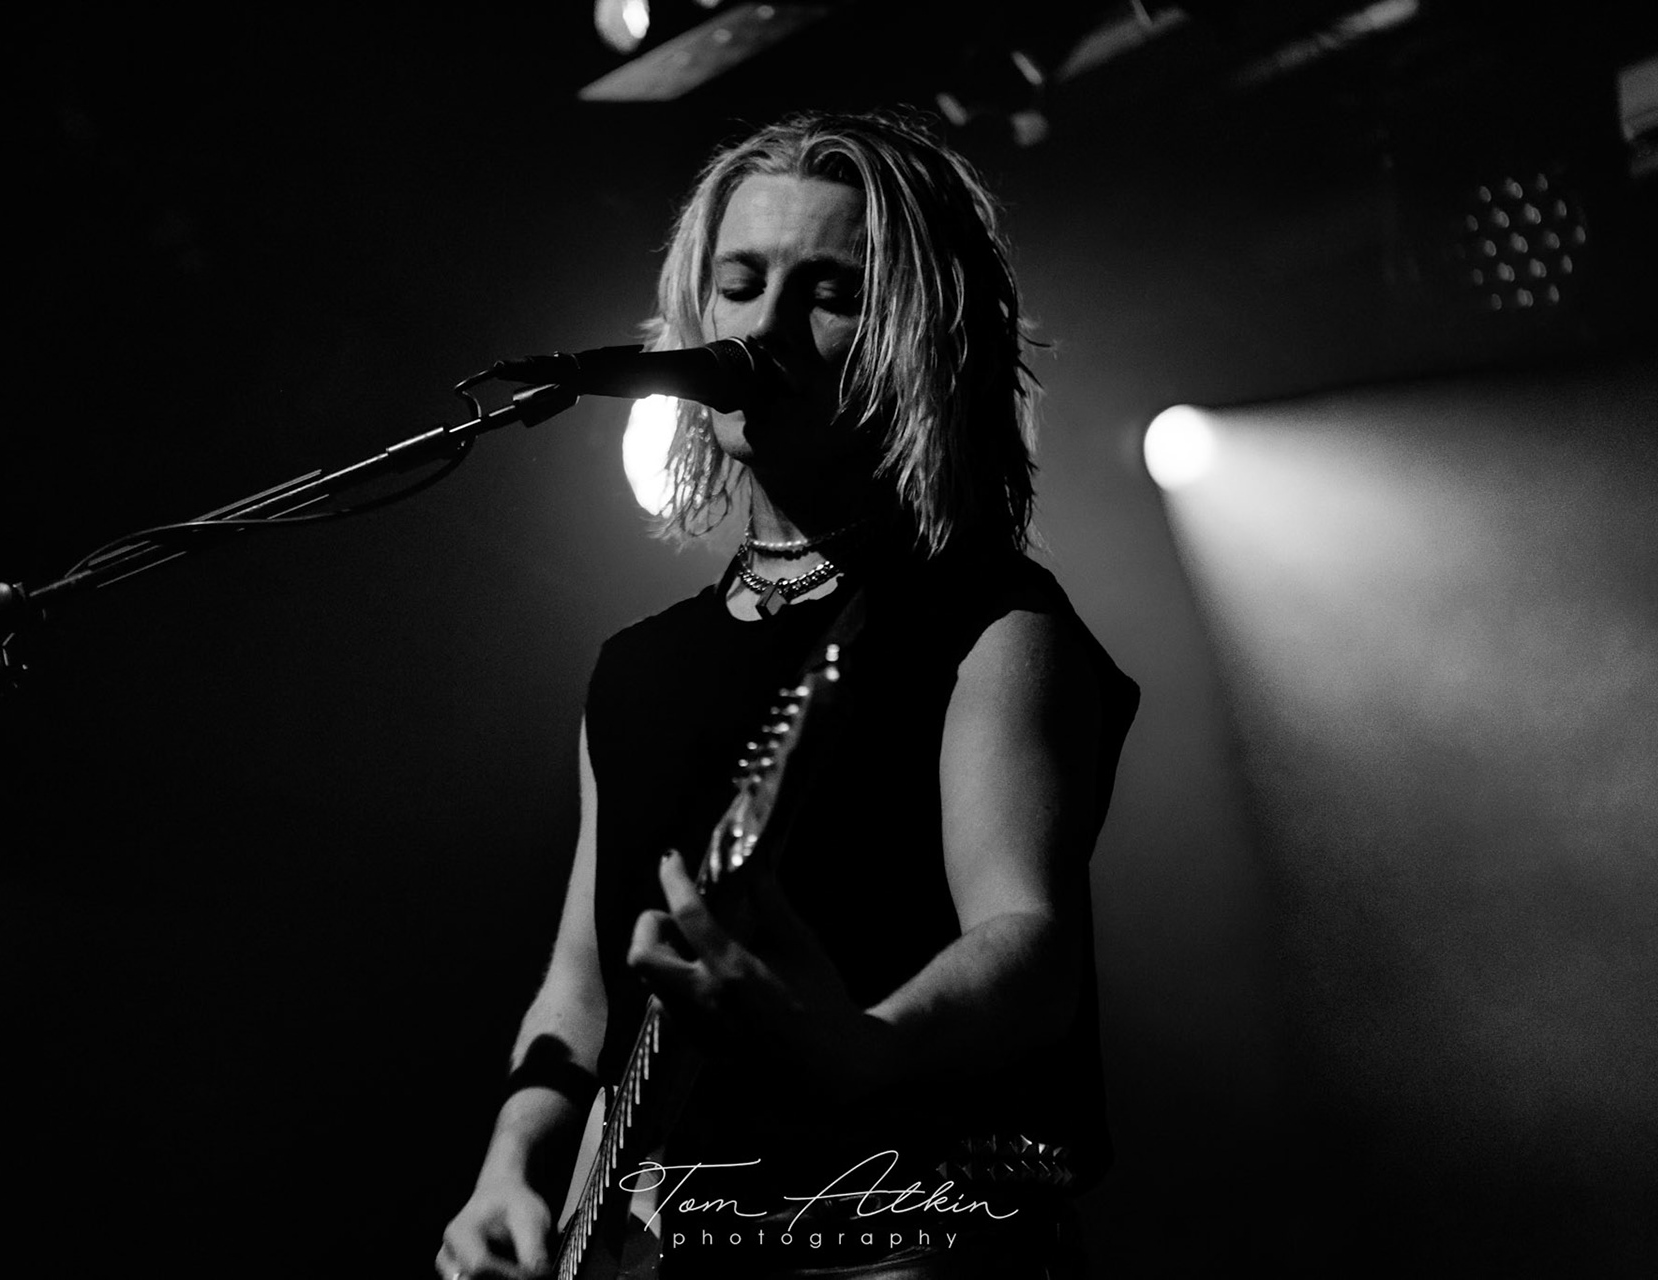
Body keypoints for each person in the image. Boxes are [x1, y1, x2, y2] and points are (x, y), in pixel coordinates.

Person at [437, 109, 1137, 1280]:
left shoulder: (992, 627)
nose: (763, 326)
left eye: (831, 292)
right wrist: (512, 1165)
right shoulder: (639, 666)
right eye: (740, 283)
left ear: (921, 340)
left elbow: (1027, 942)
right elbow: (584, 980)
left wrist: (861, 1047)